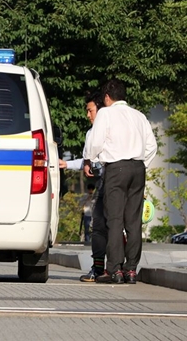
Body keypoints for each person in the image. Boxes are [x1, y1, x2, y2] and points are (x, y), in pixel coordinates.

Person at [84, 79, 157, 284]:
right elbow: (152, 146)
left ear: (107, 97)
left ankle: (114, 270)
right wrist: (142, 164)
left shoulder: (106, 113)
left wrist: (91, 159)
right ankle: (131, 270)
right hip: (138, 168)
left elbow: (96, 141)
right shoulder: (139, 115)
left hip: (116, 168)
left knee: (114, 219)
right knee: (133, 221)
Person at [59, 90, 107, 282]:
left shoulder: (101, 132)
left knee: (103, 227)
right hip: (107, 182)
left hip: (110, 183)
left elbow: (91, 161)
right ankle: (111, 269)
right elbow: (89, 161)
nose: (88, 115)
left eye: (90, 111)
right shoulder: (92, 132)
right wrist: (67, 164)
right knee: (104, 227)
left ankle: (108, 269)